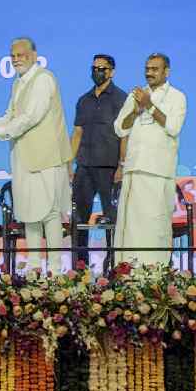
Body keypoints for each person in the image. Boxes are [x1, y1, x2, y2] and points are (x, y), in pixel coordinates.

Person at [0, 38, 72, 273]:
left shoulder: (43, 80)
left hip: (46, 159)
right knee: (30, 214)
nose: (17, 59)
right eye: (13, 55)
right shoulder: (19, 82)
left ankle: (56, 271)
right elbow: (12, 114)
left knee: (49, 214)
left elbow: (30, 118)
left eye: (21, 54)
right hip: (24, 160)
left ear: (34, 55)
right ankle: (35, 267)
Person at [113, 53, 186, 265]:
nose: (149, 73)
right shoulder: (137, 95)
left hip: (158, 171)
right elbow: (119, 128)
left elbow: (173, 127)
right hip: (134, 168)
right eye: (147, 68)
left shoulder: (177, 97)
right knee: (131, 227)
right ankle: (128, 273)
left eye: (154, 69)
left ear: (166, 72)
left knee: (154, 226)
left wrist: (150, 106)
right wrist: (135, 112)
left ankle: (154, 274)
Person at [69, 54, 128, 266]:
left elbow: (125, 135)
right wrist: (69, 163)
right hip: (84, 167)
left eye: (102, 68)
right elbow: (77, 133)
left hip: (109, 168)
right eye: (94, 68)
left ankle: (112, 265)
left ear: (111, 71)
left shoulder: (122, 99)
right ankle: (80, 266)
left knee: (111, 220)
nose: (97, 72)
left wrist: (122, 165)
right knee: (79, 219)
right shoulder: (83, 100)